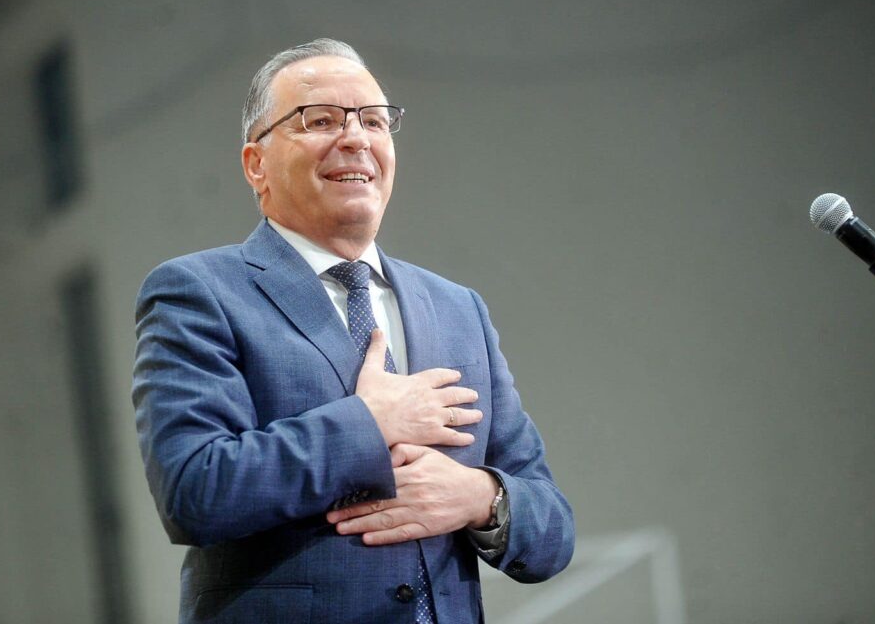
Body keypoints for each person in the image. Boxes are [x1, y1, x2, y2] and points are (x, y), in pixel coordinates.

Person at [132, 38, 574, 624]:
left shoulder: (457, 308)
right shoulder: (199, 292)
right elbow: (195, 491)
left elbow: (552, 531)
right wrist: (369, 423)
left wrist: (478, 498)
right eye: (320, 120)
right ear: (256, 164)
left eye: (374, 121)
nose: (356, 138)